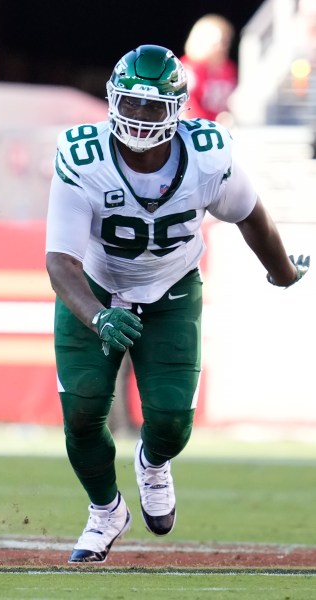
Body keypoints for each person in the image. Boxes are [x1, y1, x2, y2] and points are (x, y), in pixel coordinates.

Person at [45, 45, 309, 564]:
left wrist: (282, 271)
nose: (140, 117)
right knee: (81, 410)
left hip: (171, 287)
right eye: (130, 103)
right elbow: (61, 262)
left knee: (170, 422)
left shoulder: (208, 154)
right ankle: (105, 511)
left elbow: (250, 214)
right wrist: (97, 315)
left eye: (152, 106)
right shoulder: (84, 157)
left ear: (178, 109)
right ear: (112, 100)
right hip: (95, 286)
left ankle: (153, 462)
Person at [180, 14, 237, 123]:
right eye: (216, 43)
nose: (221, 47)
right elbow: (186, 108)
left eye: (224, 42)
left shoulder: (229, 68)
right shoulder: (189, 69)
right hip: (195, 128)